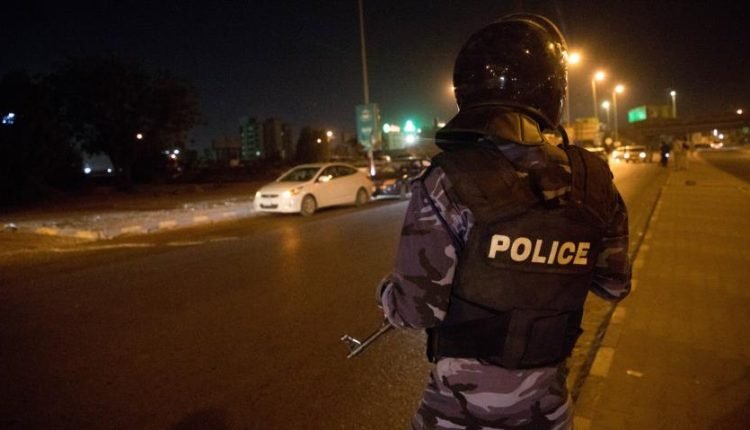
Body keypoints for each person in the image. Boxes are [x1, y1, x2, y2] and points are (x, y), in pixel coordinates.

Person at [376, 14, 631, 429]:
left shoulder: (447, 180)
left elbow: (414, 310)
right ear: (553, 90)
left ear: (466, 90)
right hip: (548, 414)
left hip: (456, 417)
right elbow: (615, 286)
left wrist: (387, 294)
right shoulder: (594, 182)